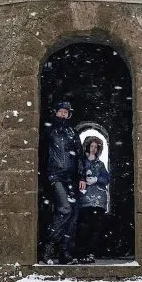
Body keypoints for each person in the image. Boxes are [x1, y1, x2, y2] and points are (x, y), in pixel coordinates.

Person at [41, 101, 83, 265]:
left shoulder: (73, 133)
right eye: (61, 112)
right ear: (56, 113)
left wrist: (81, 177)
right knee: (65, 209)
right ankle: (48, 248)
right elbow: (42, 151)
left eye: (66, 112)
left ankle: (65, 254)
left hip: (70, 178)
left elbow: (79, 156)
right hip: (55, 176)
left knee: (72, 214)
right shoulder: (50, 131)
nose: (63, 115)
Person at [75, 135, 111, 264]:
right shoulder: (82, 162)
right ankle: (81, 253)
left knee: (95, 227)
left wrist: (96, 179)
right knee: (84, 226)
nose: (94, 149)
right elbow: (77, 175)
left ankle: (90, 253)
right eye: (92, 146)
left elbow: (107, 179)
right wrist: (83, 179)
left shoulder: (100, 164)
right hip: (84, 199)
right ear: (87, 146)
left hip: (99, 199)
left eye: (96, 147)